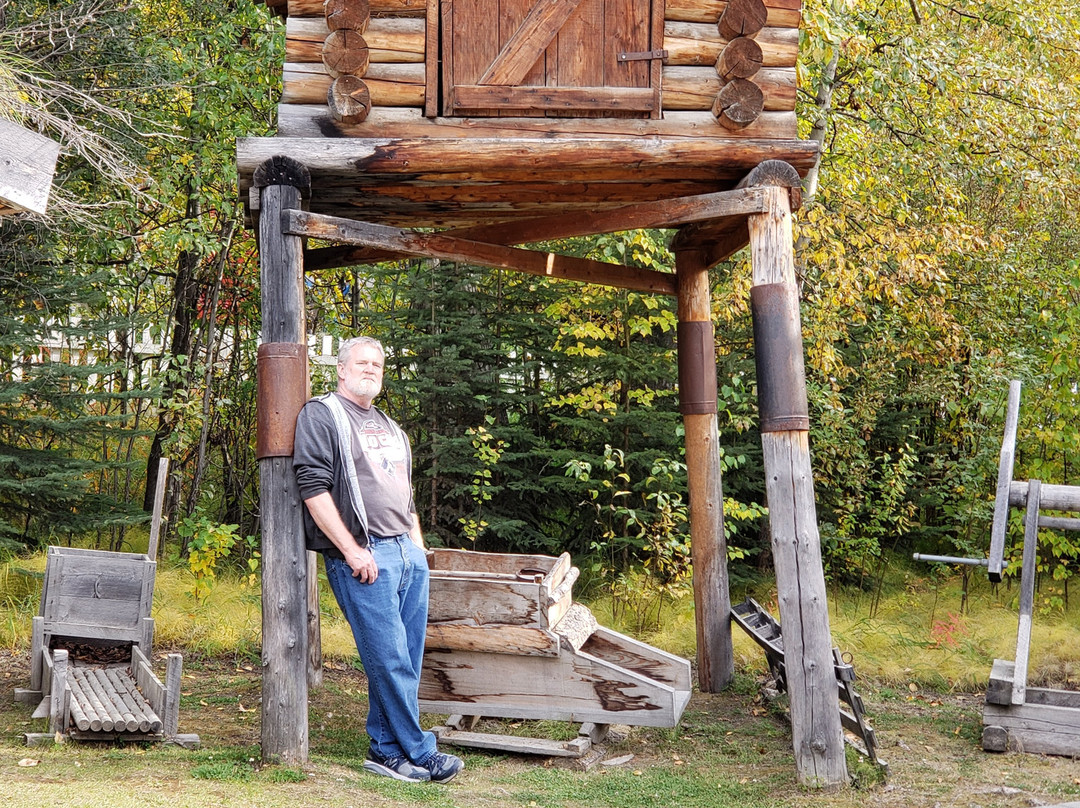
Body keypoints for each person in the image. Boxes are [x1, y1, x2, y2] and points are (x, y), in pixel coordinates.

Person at [293, 336, 464, 784]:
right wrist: (351, 550)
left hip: (406, 553)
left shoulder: (390, 426)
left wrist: (418, 549)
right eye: (362, 362)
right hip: (365, 555)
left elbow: (405, 494)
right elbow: (312, 487)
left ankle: (385, 750)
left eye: (378, 364)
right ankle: (423, 752)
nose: (371, 369)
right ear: (341, 369)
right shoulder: (322, 415)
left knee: (405, 659)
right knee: (389, 659)